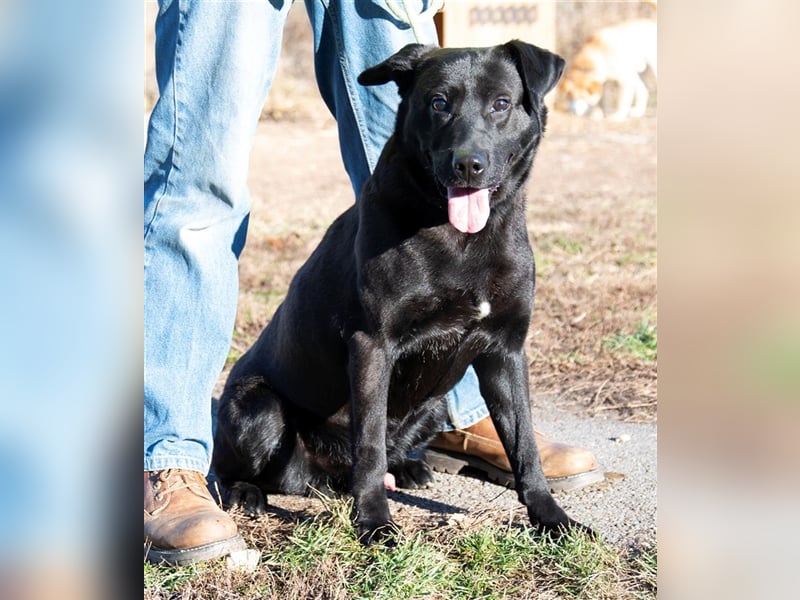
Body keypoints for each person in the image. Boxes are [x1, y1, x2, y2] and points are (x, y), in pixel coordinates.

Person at [144, 0, 602, 566]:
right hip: (294, 426)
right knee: (198, 178)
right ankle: (172, 459)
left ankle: (460, 429)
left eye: (501, 107)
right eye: (438, 105)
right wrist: (368, 502)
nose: (470, 147)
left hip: (396, 415)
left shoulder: (504, 225)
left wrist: (540, 501)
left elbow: (504, 350)